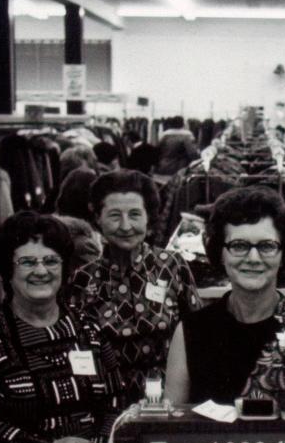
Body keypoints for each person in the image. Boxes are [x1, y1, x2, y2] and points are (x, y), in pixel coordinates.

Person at [0, 212, 124, 443]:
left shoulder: (87, 328)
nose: (41, 271)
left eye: (51, 261)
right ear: (8, 270)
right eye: (27, 262)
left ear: (64, 268)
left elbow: (115, 396)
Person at [165, 186, 285, 404]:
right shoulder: (190, 331)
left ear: (283, 253)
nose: (253, 258)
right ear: (220, 253)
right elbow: (172, 425)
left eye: (267, 246)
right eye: (239, 245)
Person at [69, 170, 201, 400]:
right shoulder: (82, 279)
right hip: (105, 401)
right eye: (114, 215)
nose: (125, 225)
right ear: (98, 219)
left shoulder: (172, 266)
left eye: (134, 214)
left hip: (169, 397)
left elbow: (198, 334)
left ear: (148, 218)